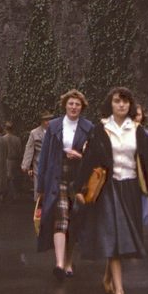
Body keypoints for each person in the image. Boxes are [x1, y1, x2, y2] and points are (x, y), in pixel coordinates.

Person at [74, 86, 148, 294]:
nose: (122, 105)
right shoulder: (100, 130)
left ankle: (107, 278)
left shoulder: (137, 131)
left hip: (131, 188)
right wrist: (79, 187)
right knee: (115, 234)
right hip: (108, 188)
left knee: (121, 237)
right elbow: (88, 159)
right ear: (110, 104)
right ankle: (120, 291)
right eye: (117, 101)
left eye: (125, 101)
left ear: (130, 105)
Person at [36, 90, 93, 280]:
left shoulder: (89, 127)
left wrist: (80, 155)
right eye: (71, 104)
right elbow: (43, 157)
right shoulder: (53, 126)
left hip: (79, 180)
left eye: (77, 104)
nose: (74, 107)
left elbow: (95, 157)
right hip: (57, 178)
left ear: (82, 107)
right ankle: (59, 264)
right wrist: (41, 187)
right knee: (60, 219)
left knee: (75, 223)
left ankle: (69, 261)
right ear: (65, 106)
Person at [22, 111, 53, 195]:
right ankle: (38, 205)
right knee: (39, 188)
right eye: (46, 120)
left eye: (50, 119)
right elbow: (29, 148)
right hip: (39, 164)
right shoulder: (34, 133)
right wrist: (26, 165)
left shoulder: (56, 131)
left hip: (53, 164)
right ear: (41, 121)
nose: (48, 122)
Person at [133, 102, 148, 226]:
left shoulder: (146, 135)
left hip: (141, 174)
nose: (136, 117)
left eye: (139, 114)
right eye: (134, 114)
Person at [2, 121, 24, 203]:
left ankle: (13, 195)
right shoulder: (17, 139)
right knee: (12, 178)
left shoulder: (3, 139)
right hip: (15, 160)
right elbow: (19, 151)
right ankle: (9, 194)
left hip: (7, 160)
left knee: (9, 178)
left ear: (5, 129)